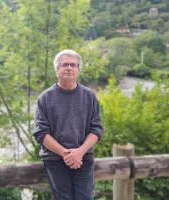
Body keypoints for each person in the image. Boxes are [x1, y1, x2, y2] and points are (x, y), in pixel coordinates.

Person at [33, 49, 103, 200]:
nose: (69, 68)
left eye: (73, 65)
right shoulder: (45, 98)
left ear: (78, 69)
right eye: (64, 64)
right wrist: (66, 154)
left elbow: (96, 129)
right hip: (55, 158)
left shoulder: (89, 96)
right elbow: (40, 133)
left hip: (83, 157)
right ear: (57, 69)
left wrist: (79, 152)